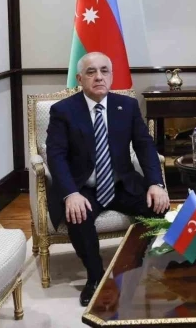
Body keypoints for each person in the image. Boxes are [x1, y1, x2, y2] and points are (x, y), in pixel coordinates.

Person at [46, 52, 170, 306]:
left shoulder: (127, 106)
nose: (99, 77)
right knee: (78, 216)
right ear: (80, 78)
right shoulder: (63, 111)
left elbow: (145, 146)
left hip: (120, 183)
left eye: (104, 71)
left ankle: (136, 265)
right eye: (91, 72)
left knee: (158, 207)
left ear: (112, 76)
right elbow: (56, 156)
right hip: (83, 187)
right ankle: (95, 277)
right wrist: (70, 193)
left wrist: (156, 184)